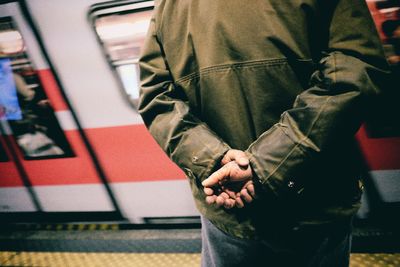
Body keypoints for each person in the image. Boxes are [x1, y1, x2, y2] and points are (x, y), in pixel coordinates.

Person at [138, 0, 389, 266]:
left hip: (225, 205)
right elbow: (355, 70)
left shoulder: (168, 4)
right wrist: (267, 164)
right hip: (313, 199)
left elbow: (156, 95)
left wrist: (212, 158)